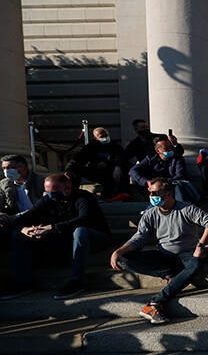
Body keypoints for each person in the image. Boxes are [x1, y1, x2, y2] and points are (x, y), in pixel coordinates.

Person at [110, 178, 208, 324]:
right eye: (150, 193)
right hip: (164, 254)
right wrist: (119, 251)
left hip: (187, 254)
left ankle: (155, 303)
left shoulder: (186, 208)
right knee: (123, 260)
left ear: (168, 194)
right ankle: (170, 275)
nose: (151, 196)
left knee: (196, 265)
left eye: (155, 193)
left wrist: (201, 246)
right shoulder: (150, 213)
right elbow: (140, 237)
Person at [0, 173, 110, 301]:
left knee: (80, 231)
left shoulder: (83, 197)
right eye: (47, 191)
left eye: (55, 190)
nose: (51, 194)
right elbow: (24, 218)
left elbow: (83, 219)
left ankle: (76, 280)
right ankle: (23, 281)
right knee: (18, 235)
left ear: (67, 187)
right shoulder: (49, 199)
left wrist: (52, 227)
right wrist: (26, 229)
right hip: (65, 238)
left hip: (95, 237)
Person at [129, 137, 199, 203]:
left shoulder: (177, 159)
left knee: (177, 185)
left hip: (170, 185)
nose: (170, 150)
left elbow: (180, 175)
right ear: (157, 150)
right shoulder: (150, 159)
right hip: (154, 187)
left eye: (171, 147)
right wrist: (147, 182)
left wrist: (162, 183)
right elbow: (133, 170)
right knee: (135, 178)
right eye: (166, 148)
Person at [64, 127, 128, 199]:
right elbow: (77, 159)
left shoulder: (116, 146)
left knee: (122, 170)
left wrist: (117, 166)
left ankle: (115, 195)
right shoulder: (90, 147)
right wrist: (68, 170)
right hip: (94, 171)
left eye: (106, 135)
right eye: (102, 136)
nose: (105, 138)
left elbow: (122, 158)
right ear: (96, 138)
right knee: (74, 169)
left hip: (111, 172)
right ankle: (73, 194)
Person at [0, 155, 45, 231]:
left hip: (41, 222)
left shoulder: (41, 182)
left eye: (10, 168)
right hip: (18, 223)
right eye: (4, 168)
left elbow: (44, 206)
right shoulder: (4, 184)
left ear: (24, 167)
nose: (6, 171)